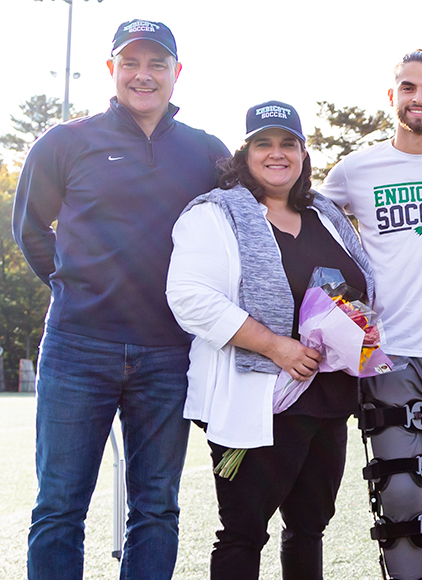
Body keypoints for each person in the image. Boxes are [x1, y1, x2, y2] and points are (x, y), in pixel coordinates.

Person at [12, 19, 229, 579]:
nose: (143, 74)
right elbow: (32, 229)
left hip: (169, 353)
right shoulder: (66, 141)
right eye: (130, 62)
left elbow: (250, 215)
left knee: (156, 507)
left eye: (157, 63)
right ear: (112, 70)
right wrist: (74, 284)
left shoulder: (205, 151)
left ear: (176, 73)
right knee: (59, 506)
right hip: (77, 346)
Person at [167, 101, 372, 579]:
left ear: (302, 153)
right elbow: (190, 297)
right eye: (264, 143)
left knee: (309, 527)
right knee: (243, 532)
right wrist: (275, 346)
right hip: (258, 399)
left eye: (288, 143)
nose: (276, 154)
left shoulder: (325, 214)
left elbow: (359, 289)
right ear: (246, 153)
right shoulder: (215, 213)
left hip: (326, 400)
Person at [319, 48, 422, 580]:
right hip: (389, 352)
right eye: (409, 88)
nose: (419, 98)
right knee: (399, 496)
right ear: (392, 97)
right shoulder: (355, 170)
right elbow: (300, 215)